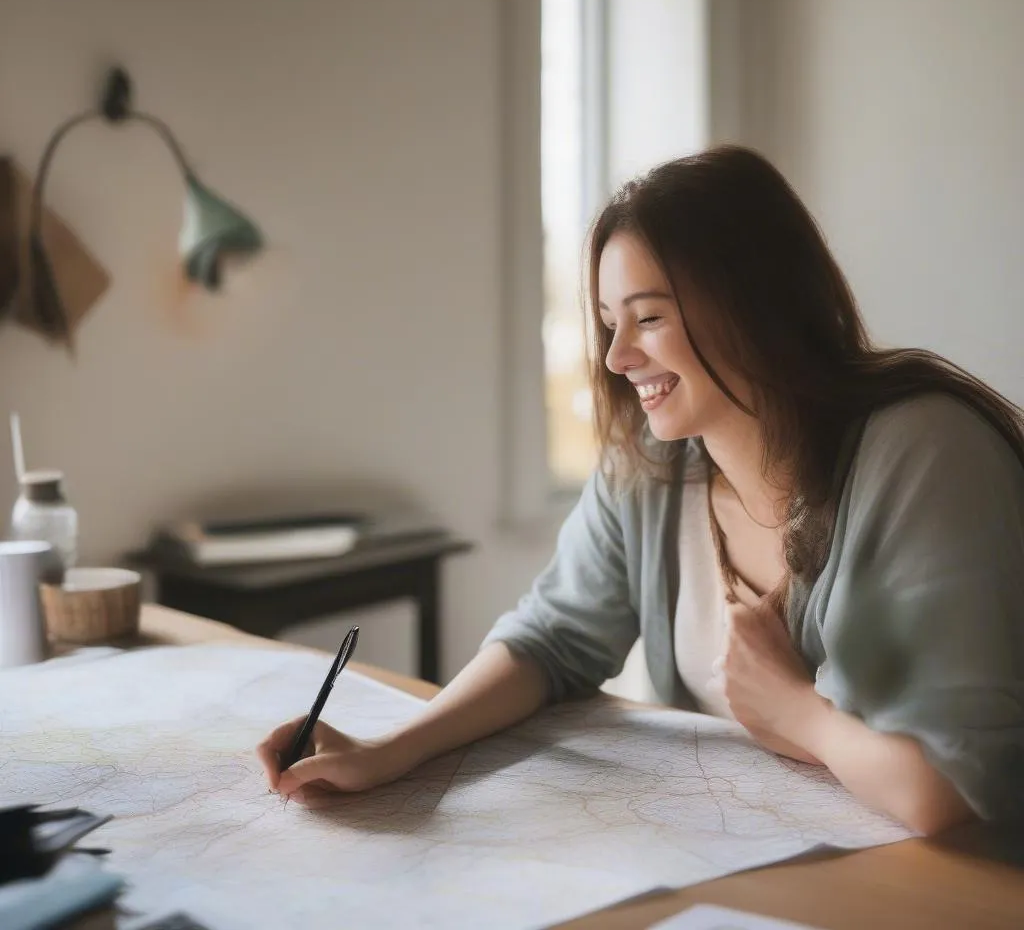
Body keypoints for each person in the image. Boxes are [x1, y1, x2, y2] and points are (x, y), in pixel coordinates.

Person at [258, 146, 1024, 834]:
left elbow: (948, 790)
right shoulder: (651, 470)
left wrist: (799, 714)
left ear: (754, 305)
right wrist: (393, 749)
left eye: (648, 318)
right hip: (769, 866)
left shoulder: (923, 449)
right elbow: (550, 641)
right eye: (606, 324)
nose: (619, 357)